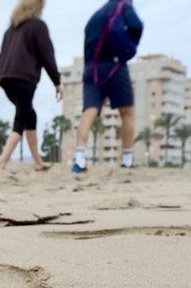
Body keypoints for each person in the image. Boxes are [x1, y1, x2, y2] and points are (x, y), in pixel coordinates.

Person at [0, 0, 63, 171]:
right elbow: (47, 56)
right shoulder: (38, 26)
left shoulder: (10, 31)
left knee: (30, 115)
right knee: (20, 119)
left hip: (5, 80)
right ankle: (1, 162)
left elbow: (0, 58)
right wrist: (57, 82)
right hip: (24, 79)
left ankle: (37, 162)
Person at [71, 0, 144, 173]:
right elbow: (136, 25)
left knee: (89, 111)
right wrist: (130, 46)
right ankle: (126, 160)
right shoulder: (123, 5)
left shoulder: (95, 16)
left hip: (90, 69)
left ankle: (79, 159)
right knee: (127, 113)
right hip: (114, 66)